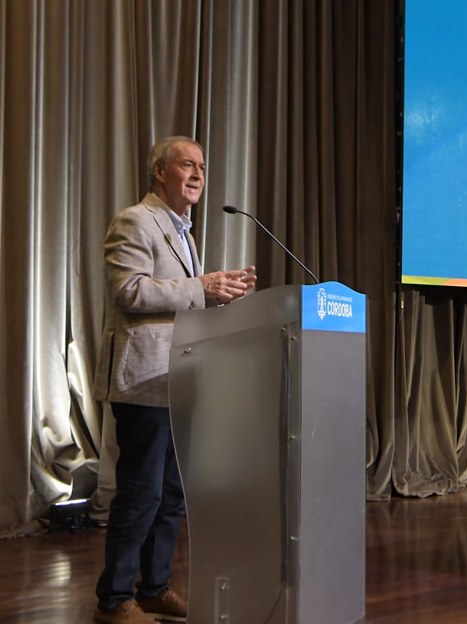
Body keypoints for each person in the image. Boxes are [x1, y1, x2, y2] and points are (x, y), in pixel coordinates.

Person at [92, 136, 257, 624]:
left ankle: (153, 588)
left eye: (202, 167)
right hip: (144, 381)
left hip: (180, 381)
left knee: (170, 495)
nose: (198, 175)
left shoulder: (183, 232)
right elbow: (128, 291)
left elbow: (183, 300)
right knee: (141, 493)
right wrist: (202, 287)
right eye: (187, 165)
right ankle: (114, 599)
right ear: (160, 171)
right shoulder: (135, 221)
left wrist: (220, 295)